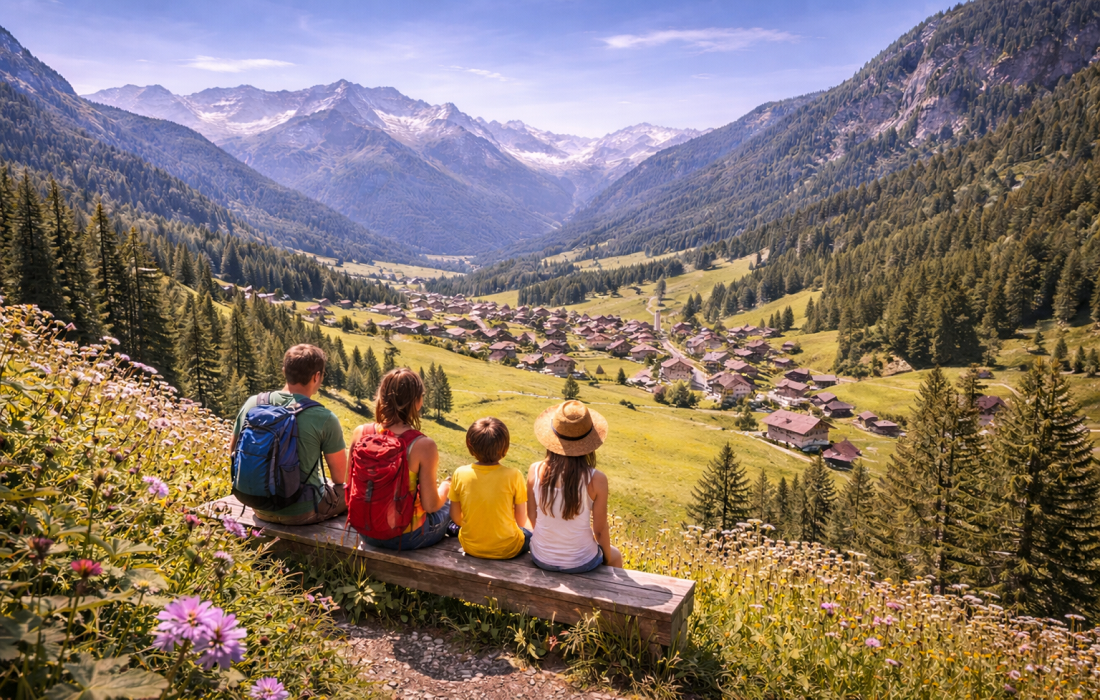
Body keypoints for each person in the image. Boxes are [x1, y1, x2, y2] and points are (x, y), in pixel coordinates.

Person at [231, 344, 347, 525]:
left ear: (284, 371)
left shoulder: (253, 403)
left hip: (258, 506)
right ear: (317, 376)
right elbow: (340, 478)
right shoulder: (324, 417)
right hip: (303, 512)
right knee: (352, 492)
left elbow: (233, 452)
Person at [354, 368, 452, 550]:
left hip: (366, 531)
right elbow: (431, 505)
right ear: (418, 402)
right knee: (450, 504)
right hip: (407, 537)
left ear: (381, 397)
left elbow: (350, 485)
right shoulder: (423, 445)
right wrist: (446, 487)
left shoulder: (361, 433)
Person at [527, 400, 623, 572]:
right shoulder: (597, 479)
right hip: (580, 562)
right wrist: (606, 560)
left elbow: (532, 516)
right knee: (615, 555)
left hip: (541, 557)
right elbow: (600, 531)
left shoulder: (535, 470)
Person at [449, 418, 531, 559]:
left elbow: (456, 517)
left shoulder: (460, 473)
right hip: (508, 548)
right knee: (529, 535)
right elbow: (521, 521)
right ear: (505, 447)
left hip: (471, 546)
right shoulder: (514, 475)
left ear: (469, 444)